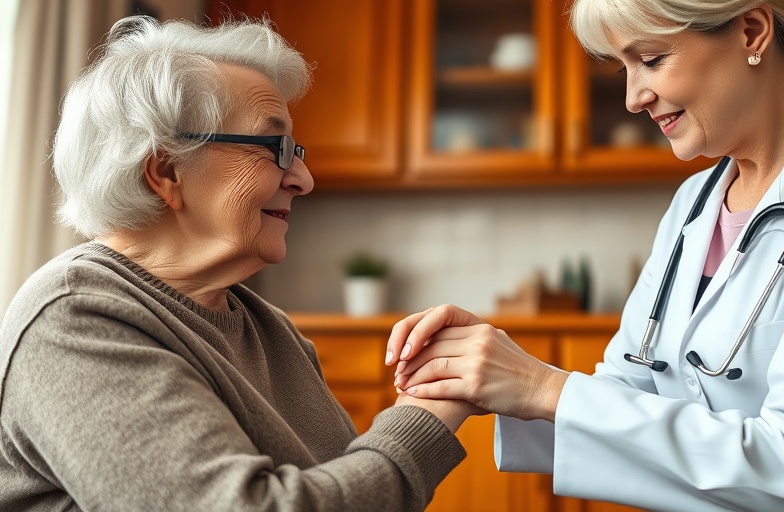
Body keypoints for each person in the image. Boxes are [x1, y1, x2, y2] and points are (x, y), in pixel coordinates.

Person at [388, 0, 784, 510]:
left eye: (651, 60)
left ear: (751, 32)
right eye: (624, 69)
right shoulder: (694, 203)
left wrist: (538, 386)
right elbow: (629, 391)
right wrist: (490, 376)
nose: (633, 98)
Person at [0, 15, 476, 511]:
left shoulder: (271, 331)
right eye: (276, 149)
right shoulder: (74, 318)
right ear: (167, 170)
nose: (304, 179)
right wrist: (426, 417)